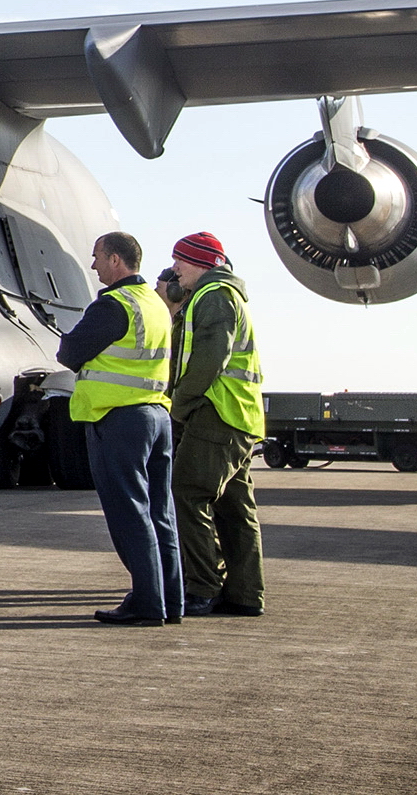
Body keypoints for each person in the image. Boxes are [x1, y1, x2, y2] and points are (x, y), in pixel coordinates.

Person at [55, 233, 183, 625]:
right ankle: (170, 600)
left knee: (129, 513)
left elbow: (69, 353)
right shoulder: (155, 304)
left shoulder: (112, 305)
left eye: (95, 258)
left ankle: (146, 602)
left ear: (114, 260)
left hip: (119, 418)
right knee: (161, 513)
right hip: (157, 416)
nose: (93, 266)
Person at [165, 231, 266, 618]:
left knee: (187, 492)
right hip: (239, 415)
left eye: (180, 261)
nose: (175, 269)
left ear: (202, 264)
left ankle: (203, 587)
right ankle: (243, 594)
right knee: (234, 509)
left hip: (217, 412)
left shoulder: (214, 297)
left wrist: (181, 405)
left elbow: (209, 360)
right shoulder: (219, 297)